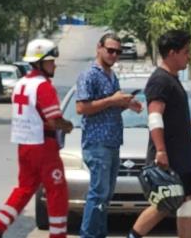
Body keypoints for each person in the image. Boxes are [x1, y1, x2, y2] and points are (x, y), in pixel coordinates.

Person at [0, 39, 74, 238]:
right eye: (50, 61)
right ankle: (58, 235)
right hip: (44, 145)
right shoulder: (43, 87)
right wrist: (68, 126)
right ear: (40, 62)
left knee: (25, 188)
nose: (54, 64)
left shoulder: (21, 84)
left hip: (25, 145)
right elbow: (53, 120)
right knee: (57, 191)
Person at [127, 30, 191, 238]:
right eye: (186, 51)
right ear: (172, 53)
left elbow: (170, 117)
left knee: (188, 201)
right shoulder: (160, 80)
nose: (189, 56)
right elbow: (154, 117)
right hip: (168, 157)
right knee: (164, 203)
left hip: (183, 158)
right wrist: (160, 151)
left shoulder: (172, 79)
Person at [76, 33, 143, 238]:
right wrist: (113, 100)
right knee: (98, 194)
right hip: (97, 143)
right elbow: (81, 107)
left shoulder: (111, 75)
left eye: (118, 52)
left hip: (113, 142)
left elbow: (110, 106)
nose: (114, 55)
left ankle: (99, 234)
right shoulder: (90, 74)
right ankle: (87, 235)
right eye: (110, 50)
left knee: (105, 196)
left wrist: (127, 104)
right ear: (99, 48)